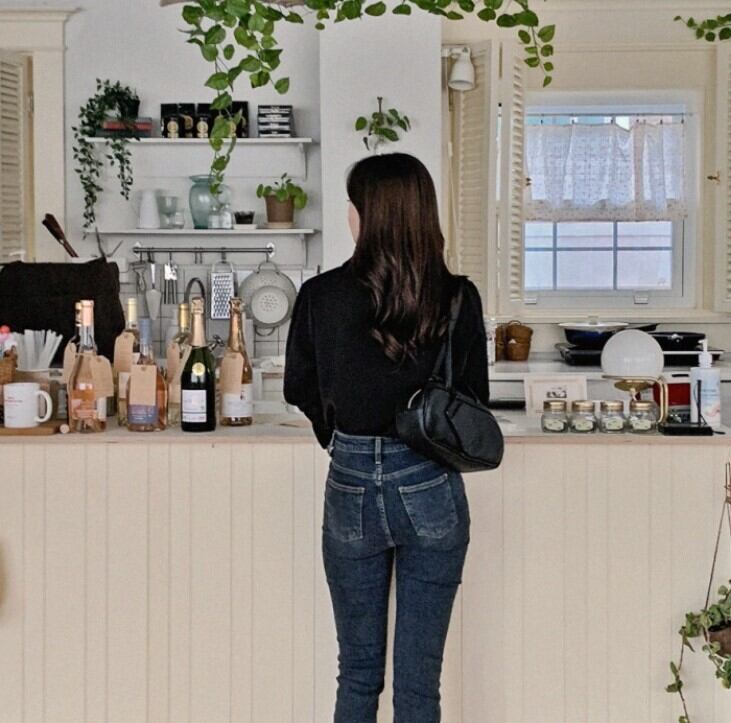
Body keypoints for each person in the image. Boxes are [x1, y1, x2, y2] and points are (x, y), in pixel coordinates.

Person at [283, 152, 489, 723]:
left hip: (350, 483)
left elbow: (299, 386)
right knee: (419, 684)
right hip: (430, 484)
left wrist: (340, 437)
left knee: (357, 673)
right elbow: (473, 399)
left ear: (365, 215)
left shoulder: (320, 295)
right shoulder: (457, 296)